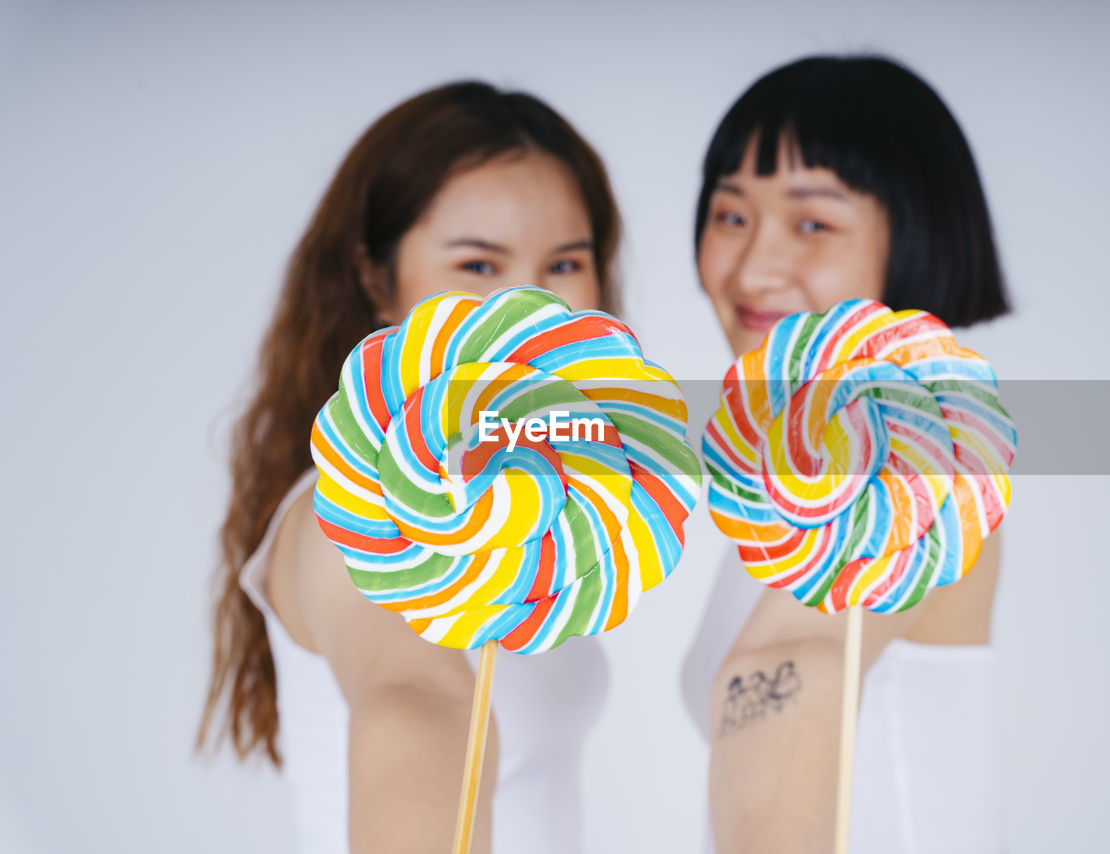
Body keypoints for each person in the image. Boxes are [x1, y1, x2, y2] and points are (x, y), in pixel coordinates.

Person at [198, 81, 621, 854]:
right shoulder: (350, 511)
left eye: (563, 264)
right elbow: (417, 699)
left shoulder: (538, 506)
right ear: (376, 280)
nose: (526, 308)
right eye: (479, 267)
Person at [681, 55, 1012, 853]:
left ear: (917, 234)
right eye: (730, 217)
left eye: (812, 223)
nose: (753, 267)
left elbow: (796, 659)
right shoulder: (800, 451)